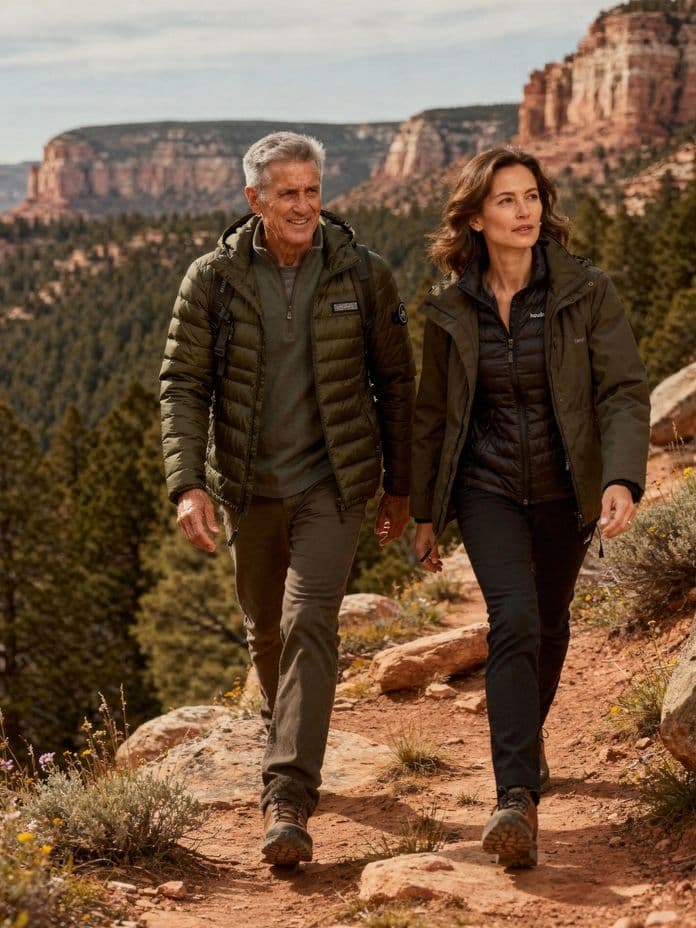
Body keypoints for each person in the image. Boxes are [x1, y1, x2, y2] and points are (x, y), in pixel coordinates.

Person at [160, 131, 415, 867]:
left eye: (312, 191)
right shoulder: (211, 279)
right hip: (248, 488)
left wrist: (400, 485)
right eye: (287, 193)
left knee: (309, 621)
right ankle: (291, 738)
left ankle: (288, 798)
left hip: (333, 484)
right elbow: (183, 385)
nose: (304, 206)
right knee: (265, 633)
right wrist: (188, 485)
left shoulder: (363, 275)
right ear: (255, 200)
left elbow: (397, 383)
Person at [410, 146, 650, 868]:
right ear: (476, 217)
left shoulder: (585, 291)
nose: (524, 211)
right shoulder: (452, 309)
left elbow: (623, 391)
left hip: (566, 489)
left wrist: (622, 478)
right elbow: (430, 416)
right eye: (506, 200)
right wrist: (425, 512)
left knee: (547, 623)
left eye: (532, 196)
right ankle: (515, 797)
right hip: (486, 490)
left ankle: (528, 742)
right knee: (512, 618)